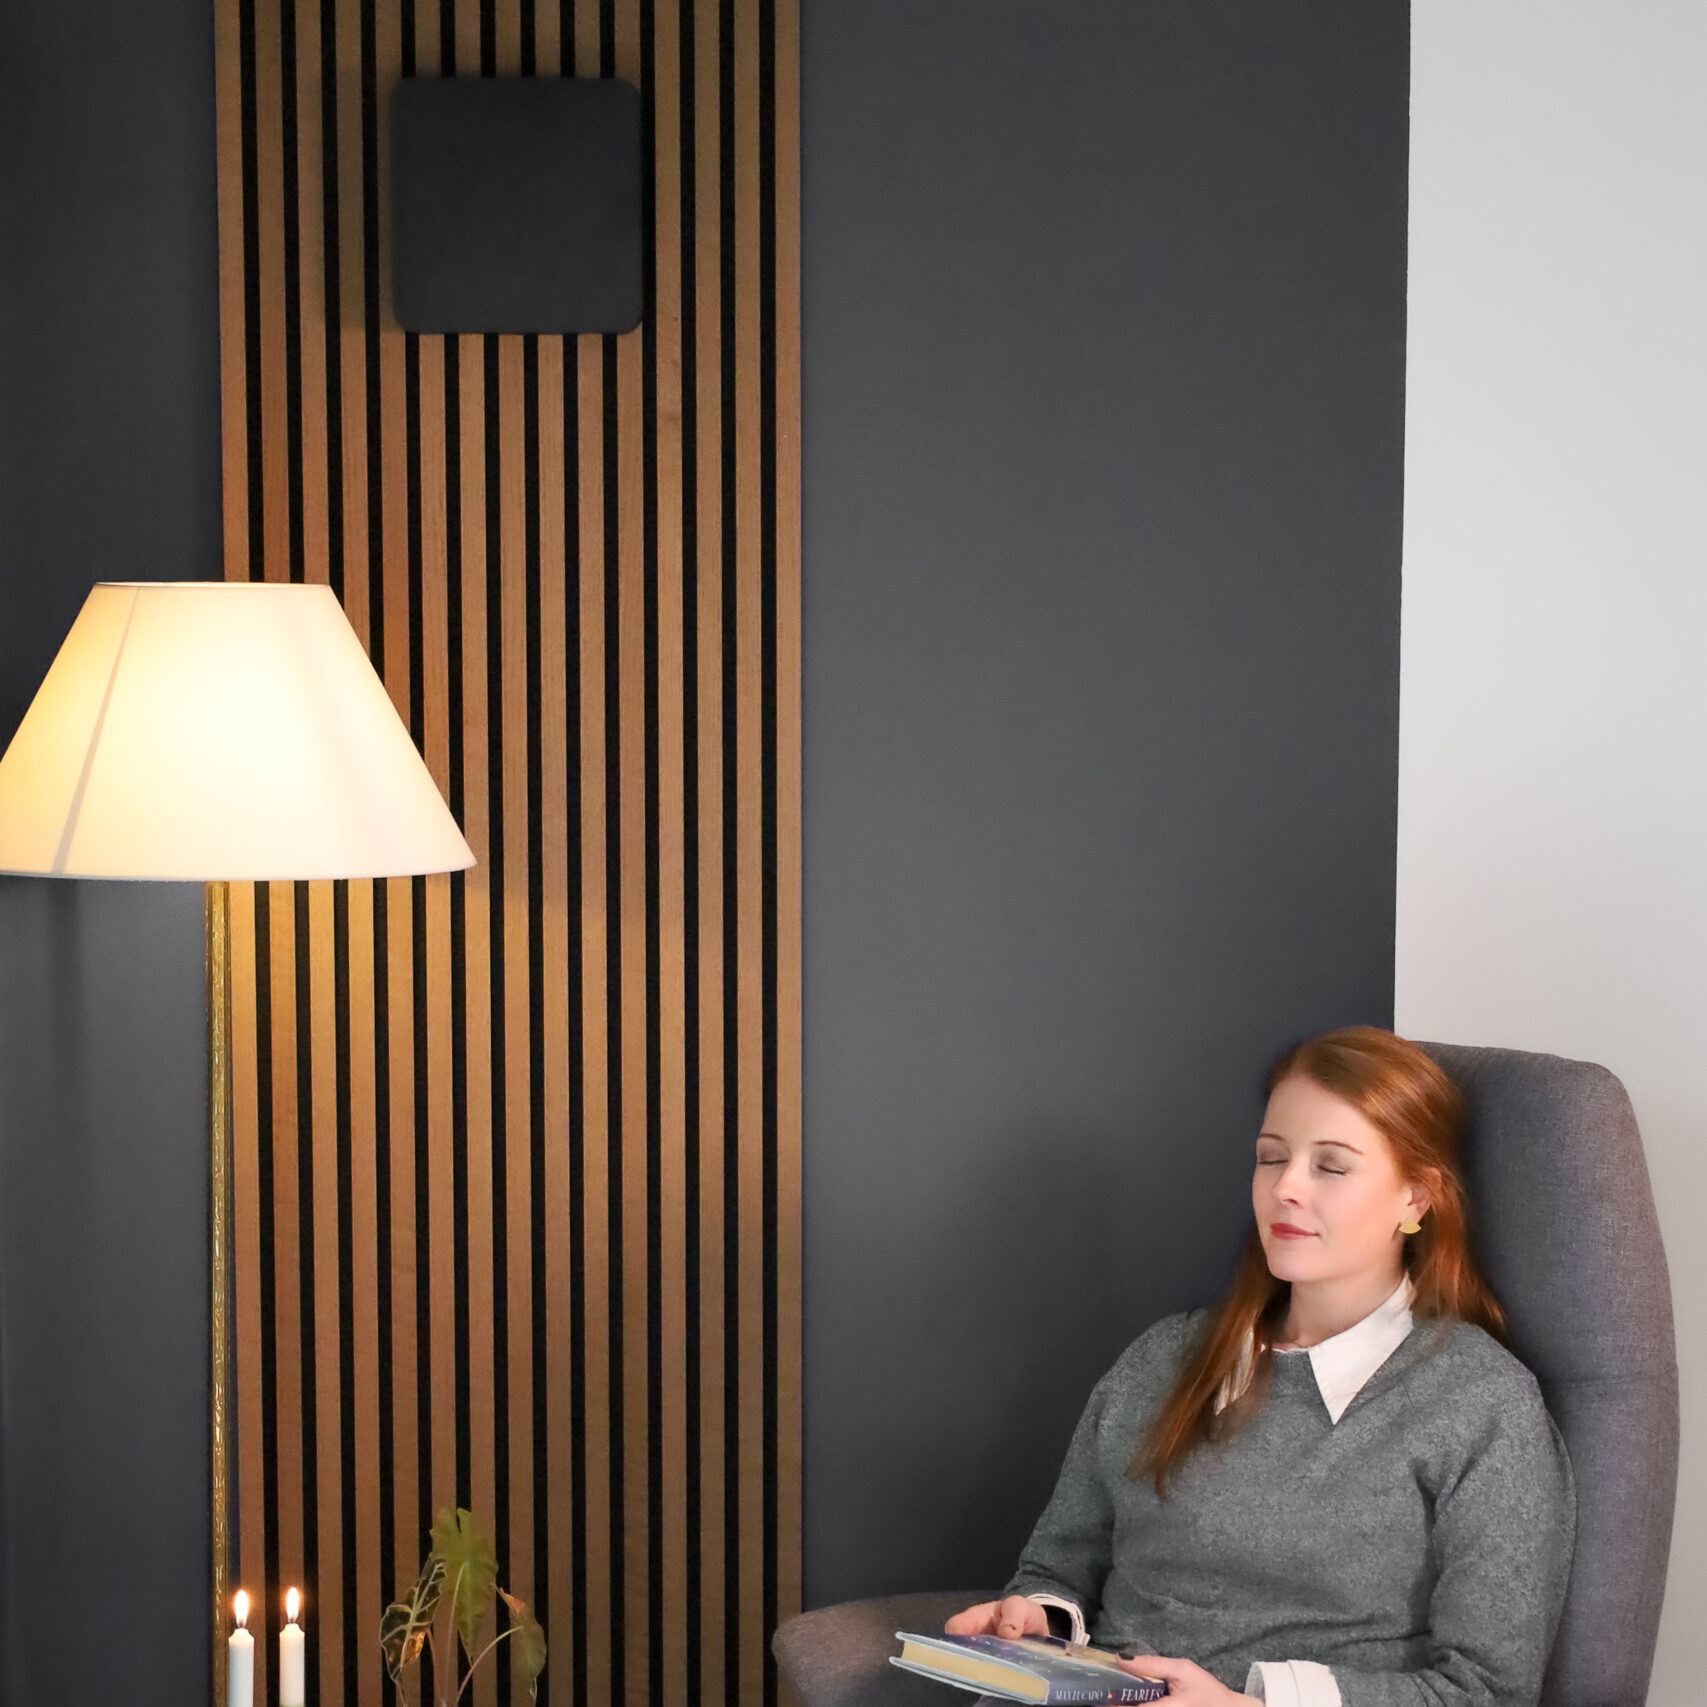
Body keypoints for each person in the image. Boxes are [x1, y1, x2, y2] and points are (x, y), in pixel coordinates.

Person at [945, 1026, 1575, 1707]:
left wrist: (1246, 1705)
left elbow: (1487, 1691)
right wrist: (1036, 1616)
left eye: (1330, 1166)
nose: (1286, 1189)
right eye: (1270, 1158)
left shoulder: (1479, 1403)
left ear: (1415, 1198)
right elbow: (1058, 1565)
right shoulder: (1166, 1357)